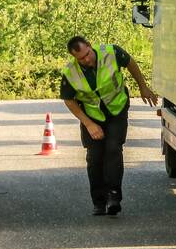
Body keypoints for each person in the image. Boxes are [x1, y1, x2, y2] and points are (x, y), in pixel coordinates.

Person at [60, 37, 158, 216]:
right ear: (74, 58)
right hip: (92, 116)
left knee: (113, 149)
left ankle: (114, 196)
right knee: (94, 157)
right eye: (81, 58)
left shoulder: (111, 52)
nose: (87, 59)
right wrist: (89, 124)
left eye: (87, 54)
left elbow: (131, 64)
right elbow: (69, 100)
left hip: (117, 109)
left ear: (90, 46)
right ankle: (99, 201)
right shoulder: (70, 72)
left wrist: (143, 87)